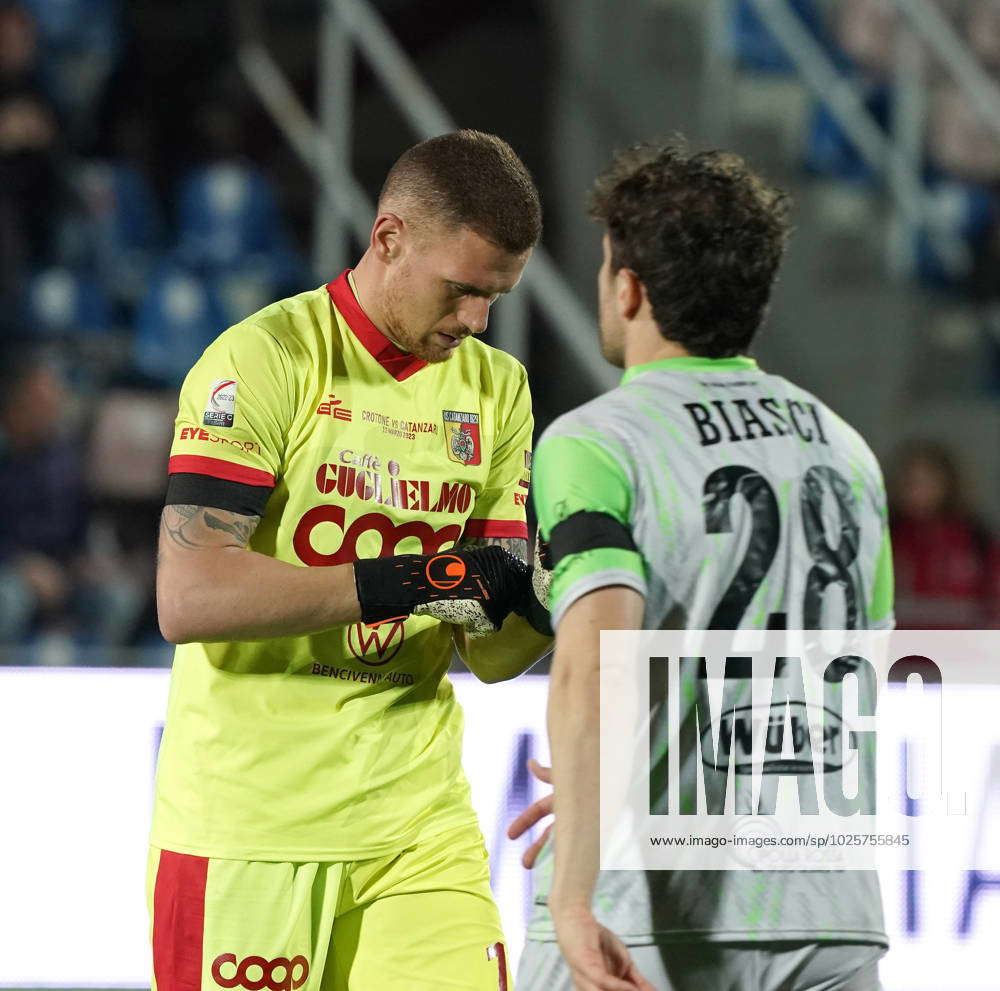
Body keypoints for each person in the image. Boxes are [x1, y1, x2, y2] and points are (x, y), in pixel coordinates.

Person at [150, 130, 553, 990]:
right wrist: (415, 579)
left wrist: (554, 593)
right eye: (462, 291)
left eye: (495, 298)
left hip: (417, 824)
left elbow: (489, 651)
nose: (475, 322)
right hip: (247, 827)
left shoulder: (497, 390)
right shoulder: (264, 360)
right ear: (389, 238)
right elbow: (190, 595)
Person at [513, 142, 894, 991]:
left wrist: (571, 894)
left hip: (653, 911)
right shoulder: (849, 450)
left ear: (629, 287)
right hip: (830, 914)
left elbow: (596, 666)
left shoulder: (598, 442)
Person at [888, 439, 997, 629]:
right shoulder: (886, 539)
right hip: (900, 653)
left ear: (947, 484)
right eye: (909, 482)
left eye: (925, 482)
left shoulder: (976, 539)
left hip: (963, 652)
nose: (916, 492)